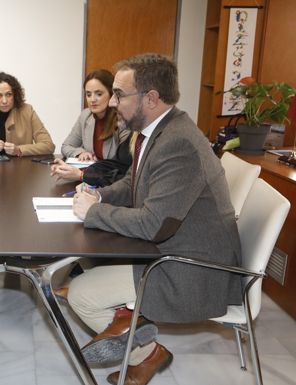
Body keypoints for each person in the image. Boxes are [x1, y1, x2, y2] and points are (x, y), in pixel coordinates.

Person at [68, 53, 242, 385]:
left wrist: (94, 212)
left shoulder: (177, 143)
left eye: (120, 94)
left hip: (192, 266)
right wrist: (100, 196)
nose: (113, 102)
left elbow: (155, 225)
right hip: (174, 247)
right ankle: (127, 317)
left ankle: (146, 353)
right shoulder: (158, 131)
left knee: (81, 295)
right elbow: (134, 183)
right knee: (92, 254)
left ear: (151, 98)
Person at [51, 69, 131, 184]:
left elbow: (123, 165)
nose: (92, 99)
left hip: (113, 182)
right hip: (90, 178)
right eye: (88, 94)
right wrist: (80, 153)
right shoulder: (86, 115)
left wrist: (82, 174)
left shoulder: (122, 119)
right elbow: (66, 146)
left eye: (99, 94)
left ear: (112, 94)